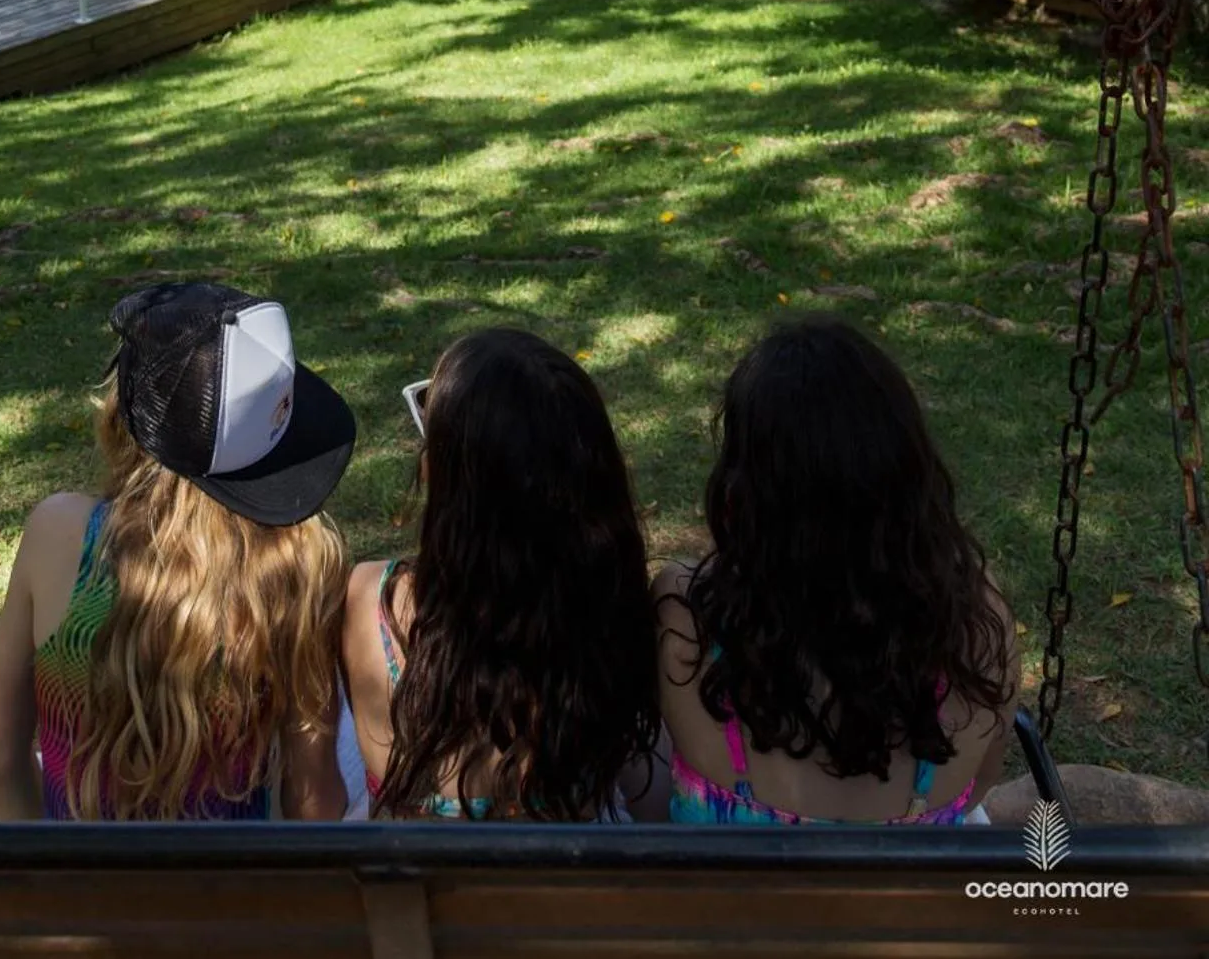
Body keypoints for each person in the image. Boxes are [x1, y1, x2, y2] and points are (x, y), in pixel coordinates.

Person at [0, 281, 356, 821]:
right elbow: (314, 802)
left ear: (122, 414)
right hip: (231, 899)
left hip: (70, 891)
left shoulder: (56, 531)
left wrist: (48, 877)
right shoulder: (300, 562)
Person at [657, 317, 1016, 826]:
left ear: (745, 494)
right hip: (913, 905)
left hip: (726, 906)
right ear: (907, 479)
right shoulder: (981, 619)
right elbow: (982, 781)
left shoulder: (684, 614)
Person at [345, 328, 663, 820]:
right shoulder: (611, 605)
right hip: (573, 881)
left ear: (443, 476)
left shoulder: (371, 600)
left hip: (416, 893)